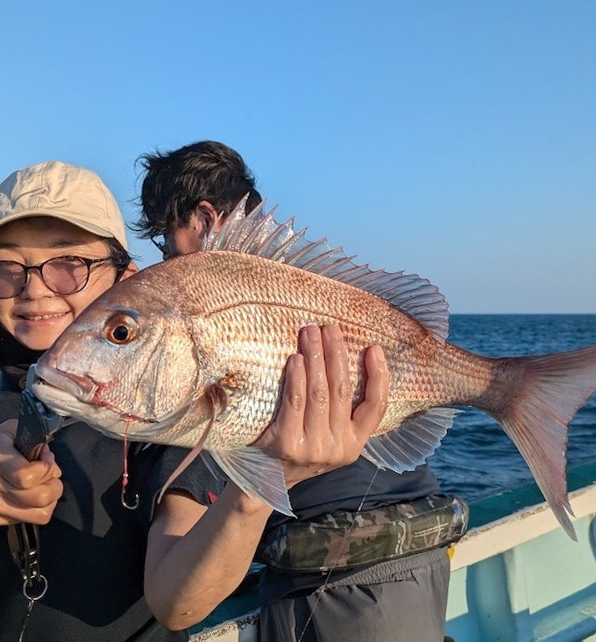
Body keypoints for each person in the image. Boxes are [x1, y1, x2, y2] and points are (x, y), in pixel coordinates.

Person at [0, 160, 390, 641]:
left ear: (126, 280)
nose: (35, 289)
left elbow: (178, 604)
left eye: (69, 265)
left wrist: (265, 483)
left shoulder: (172, 428)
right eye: (7, 267)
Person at [135, 140, 468, 642]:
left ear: (205, 220)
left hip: (340, 588)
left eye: (165, 240)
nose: (163, 260)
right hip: (422, 552)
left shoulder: (216, 313)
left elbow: (177, 604)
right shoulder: (302, 282)